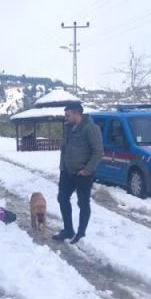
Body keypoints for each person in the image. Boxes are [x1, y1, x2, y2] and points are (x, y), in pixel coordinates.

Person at [53, 101, 103, 244]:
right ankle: (68, 230)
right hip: (67, 172)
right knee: (62, 198)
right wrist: (63, 167)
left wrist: (87, 170)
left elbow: (98, 151)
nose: (66, 117)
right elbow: (65, 149)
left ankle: (81, 232)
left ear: (77, 113)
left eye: (68, 115)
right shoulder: (68, 128)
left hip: (83, 174)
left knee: (83, 203)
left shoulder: (91, 128)